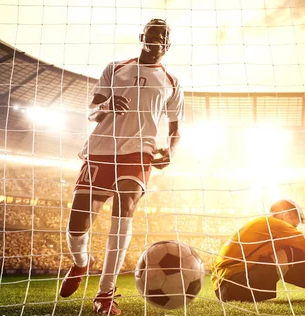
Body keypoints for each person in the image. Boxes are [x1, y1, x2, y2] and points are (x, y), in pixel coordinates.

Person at [59, 18, 184, 316]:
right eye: (153, 33)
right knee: (76, 227)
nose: (158, 39)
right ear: (142, 36)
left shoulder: (172, 81)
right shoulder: (115, 68)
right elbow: (91, 112)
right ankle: (81, 262)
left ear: (169, 44)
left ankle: (105, 293)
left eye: (164, 35)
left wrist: (171, 150)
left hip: (139, 153)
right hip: (101, 149)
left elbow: (176, 127)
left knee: (125, 207)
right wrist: (106, 106)